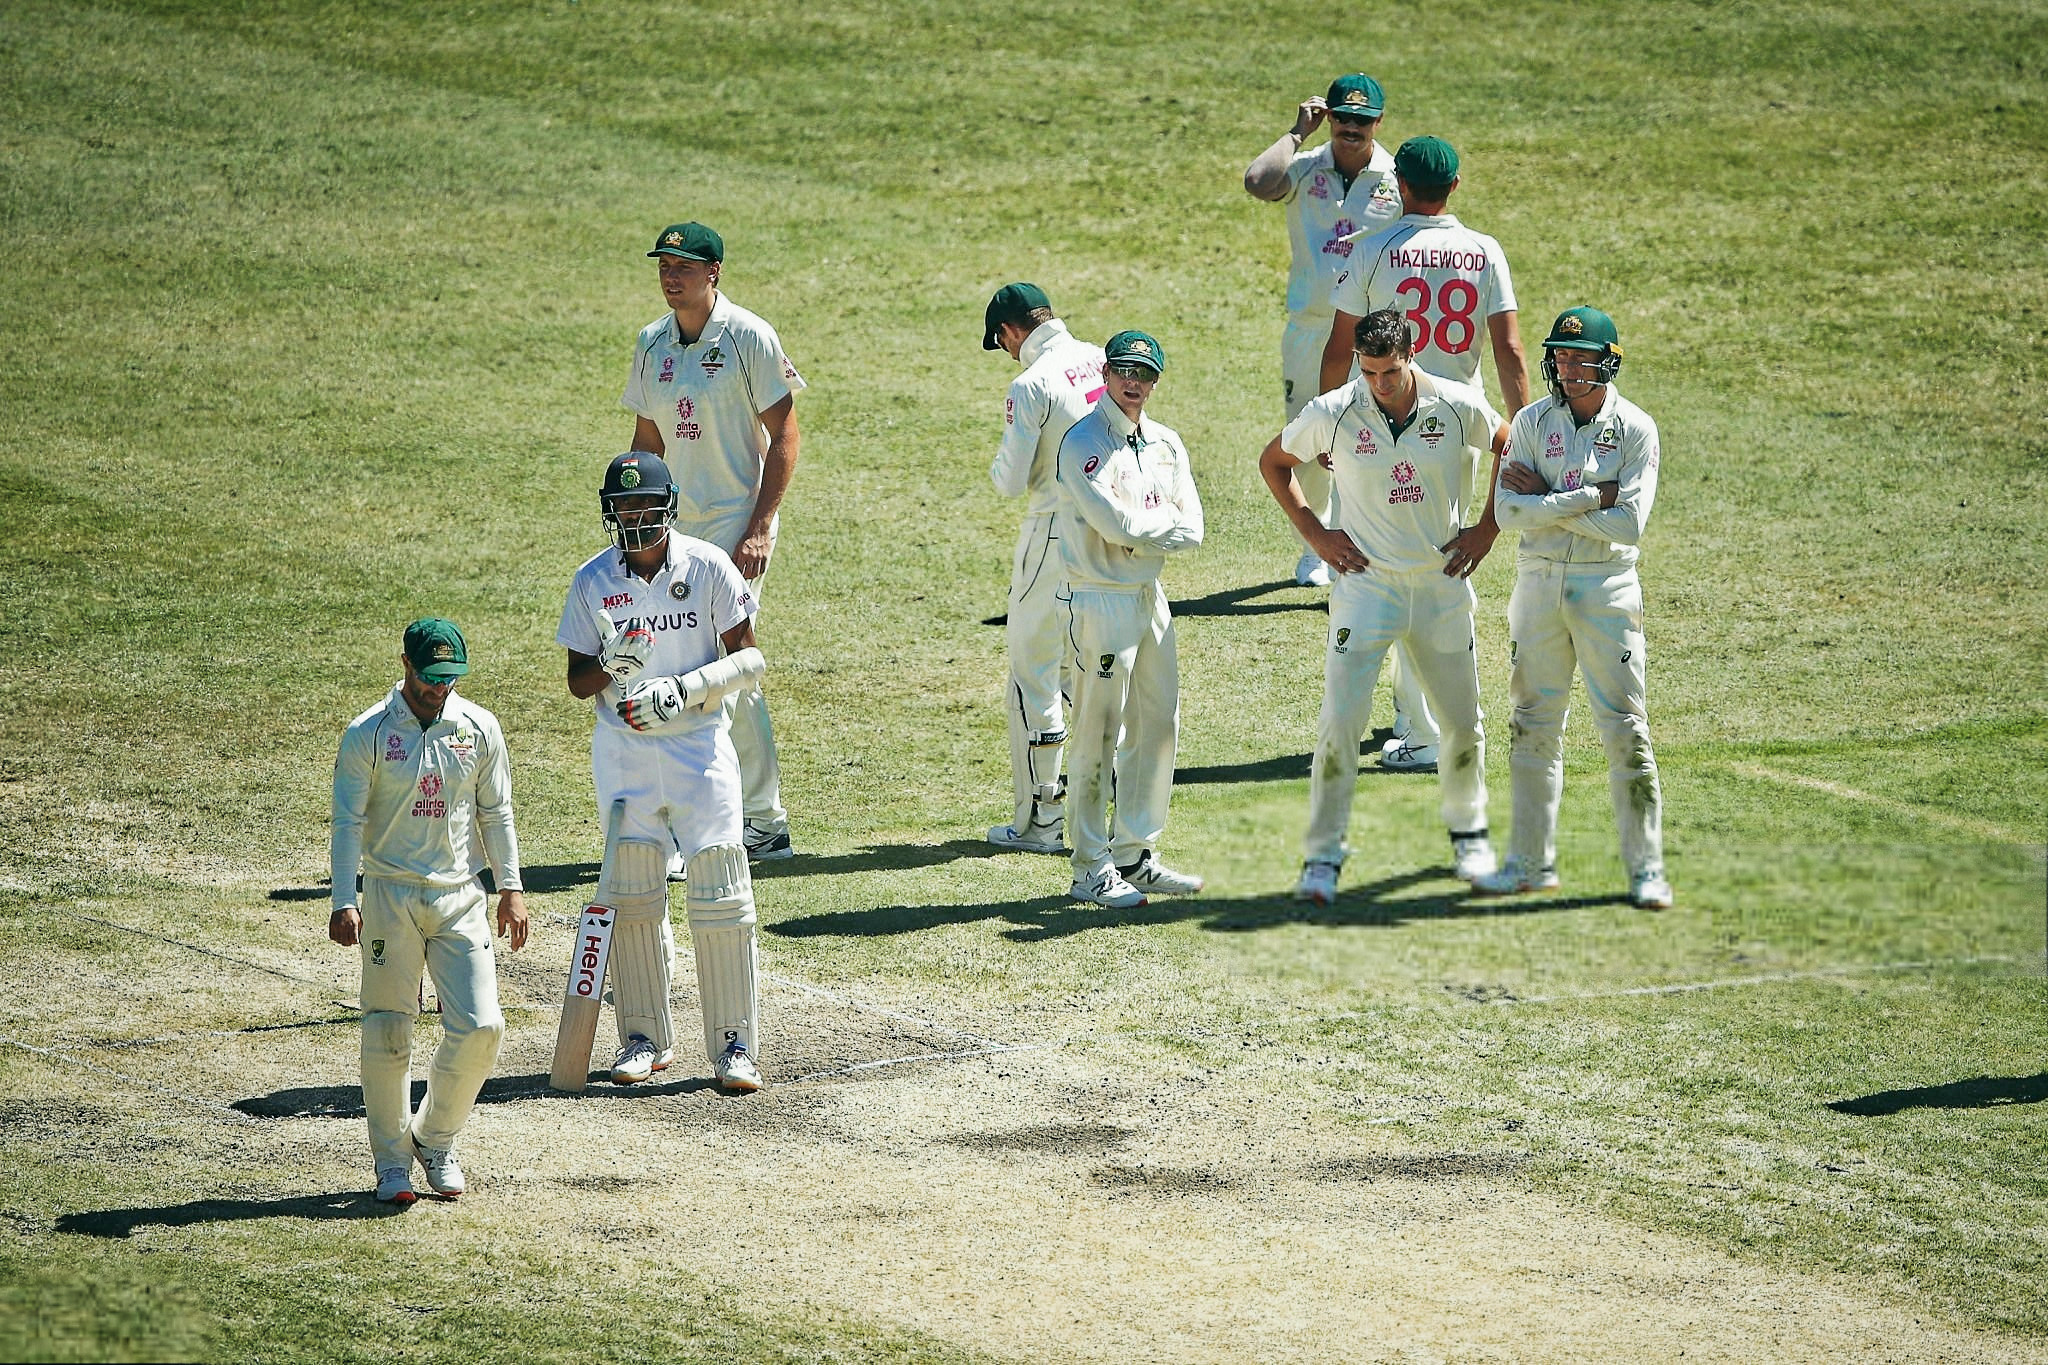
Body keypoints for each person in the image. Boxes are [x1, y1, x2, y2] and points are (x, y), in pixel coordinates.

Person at [1259, 310, 1510, 906]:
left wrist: (1486, 530)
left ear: (1411, 353)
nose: (1379, 384)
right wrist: (1317, 536)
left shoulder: (1456, 403)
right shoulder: (1335, 409)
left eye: (1389, 371)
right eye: (1368, 371)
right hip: (1365, 590)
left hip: (1440, 584)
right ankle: (1323, 855)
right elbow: (1274, 462)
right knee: (1340, 725)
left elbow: (1511, 447)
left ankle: (1470, 837)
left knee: (1461, 722)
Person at [557, 451, 772, 1093]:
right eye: (623, 508)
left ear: (668, 506)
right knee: (634, 891)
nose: (634, 517)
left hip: (699, 747)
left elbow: (750, 660)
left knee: (720, 888)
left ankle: (735, 1046)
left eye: (644, 506)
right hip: (623, 752)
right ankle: (643, 1037)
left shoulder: (708, 566)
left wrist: (684, 689)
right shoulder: (592, 580)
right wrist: (614, 666)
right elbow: (577, 682)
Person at [1318, 135, 1529, 772]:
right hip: (1460, 422)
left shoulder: (1373, 249)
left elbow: (1339, 347)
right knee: (1437, 561)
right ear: (1455, 186)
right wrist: (1520, 435)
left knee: (1384, 564)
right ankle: (1426, 718)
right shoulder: (1484, 250)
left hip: (1379, 419)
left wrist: (1331, 423)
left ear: (1398, 185)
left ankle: (1422, 727)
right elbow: (1510, 352)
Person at [1473, 307, 1672, 909]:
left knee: (1626, 731)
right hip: (1536, 583)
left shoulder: (1636, 429)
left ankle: (1647, 870)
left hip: (1606, 587)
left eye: (1581, 357)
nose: (1569, 366)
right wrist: (1590, 497)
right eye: (1560, 355)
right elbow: (1507, 512)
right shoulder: (1531, 422)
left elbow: (1630, 524)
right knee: (1531, 724)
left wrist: (1551, 500)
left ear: (1607, 361)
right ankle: (1529, 864)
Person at [329, 618, 528, 1205]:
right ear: (406, 666)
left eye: (450, 679)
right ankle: (391, 1163)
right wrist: (344, 898)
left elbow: (497, 811)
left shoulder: (478, 726)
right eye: (431, 678)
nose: (440, 689)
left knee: (483, 1027)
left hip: (459, 893)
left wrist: (511, 887)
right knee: (389, 1030)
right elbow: (348, 821)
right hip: (390, 893)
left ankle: (434, 1138)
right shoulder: (367, 732)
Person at [621, 221, 802, 862]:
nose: (671, 276)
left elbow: (785, 437)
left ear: (713, 272)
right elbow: (647, 444)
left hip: (736, 519)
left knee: (728, 661)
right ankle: (688, 810)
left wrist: (758, 527)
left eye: (684, 266)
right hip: (675, 526)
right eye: (663, 265)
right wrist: (636, 524)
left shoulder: (749, 335)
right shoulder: (651, 343)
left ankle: (764, 820)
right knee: (673, 661)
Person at [1054, 331, 1205, 909]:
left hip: (1148, 595)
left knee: (1157, 722)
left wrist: (1141, 534)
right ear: (1106, 373)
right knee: (1098, 730)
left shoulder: (1166, 442)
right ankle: (1090, 865)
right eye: (1123, 370)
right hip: (1098, 599)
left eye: (1145, 374)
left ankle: (1135, 853)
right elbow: (1110, 524)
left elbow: (1195, 528)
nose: (1134, 383)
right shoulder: (1081, 442)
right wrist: (1151, 529)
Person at [1242, 73, 1403, 589]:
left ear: (1378, 121)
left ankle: (1374, 540)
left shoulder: (1395, 175)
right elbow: (1257, 182)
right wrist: (1296, 132)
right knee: (1309, 432)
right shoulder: (1305, 166)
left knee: (1373, 433)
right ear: (1328, 116)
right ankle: (1318, 549)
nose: (1350, 127)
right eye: (1341, 117)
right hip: (1311, 325)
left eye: (1362, 119)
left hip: (1376, 332)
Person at [982, 282, 1106, 855]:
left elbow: (1009, 481)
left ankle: (1040, 821)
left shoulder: (1030, 383)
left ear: (1012, 332)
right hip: (1111, 531)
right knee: (1089, 669)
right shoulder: (1100, 357)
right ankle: (1094, 805)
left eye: (1002, 342)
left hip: (1054, 532)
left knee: (1033, 672)